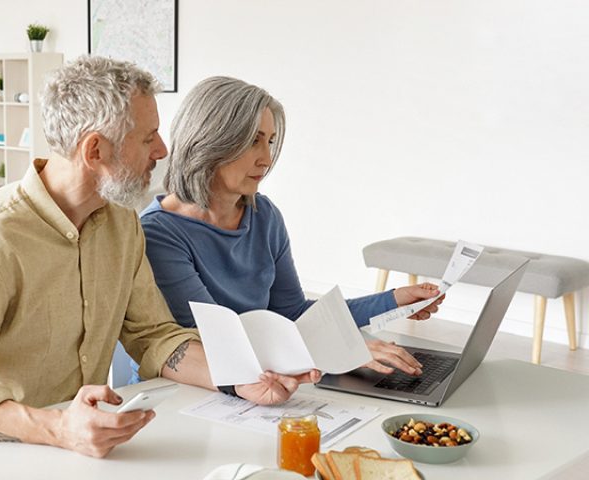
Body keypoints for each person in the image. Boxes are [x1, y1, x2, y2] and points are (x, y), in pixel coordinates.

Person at [0, 58, 320, 480]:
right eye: (147, 138)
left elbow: (155, 337)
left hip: (77, 454)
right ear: (95, 150)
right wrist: (59, 428)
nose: (162, 151)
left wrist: (237, 379)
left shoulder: (122, 225)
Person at [139, 76, 444, 377]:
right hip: (191, 391)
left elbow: (295, 314)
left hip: (258, 380)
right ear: (209, 141)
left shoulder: (264, 215)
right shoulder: (160, 234)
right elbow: (220, 339)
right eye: (253, 141)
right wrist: (342, 349)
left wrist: (392, 301)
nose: (267, 159)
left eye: (270, 142)